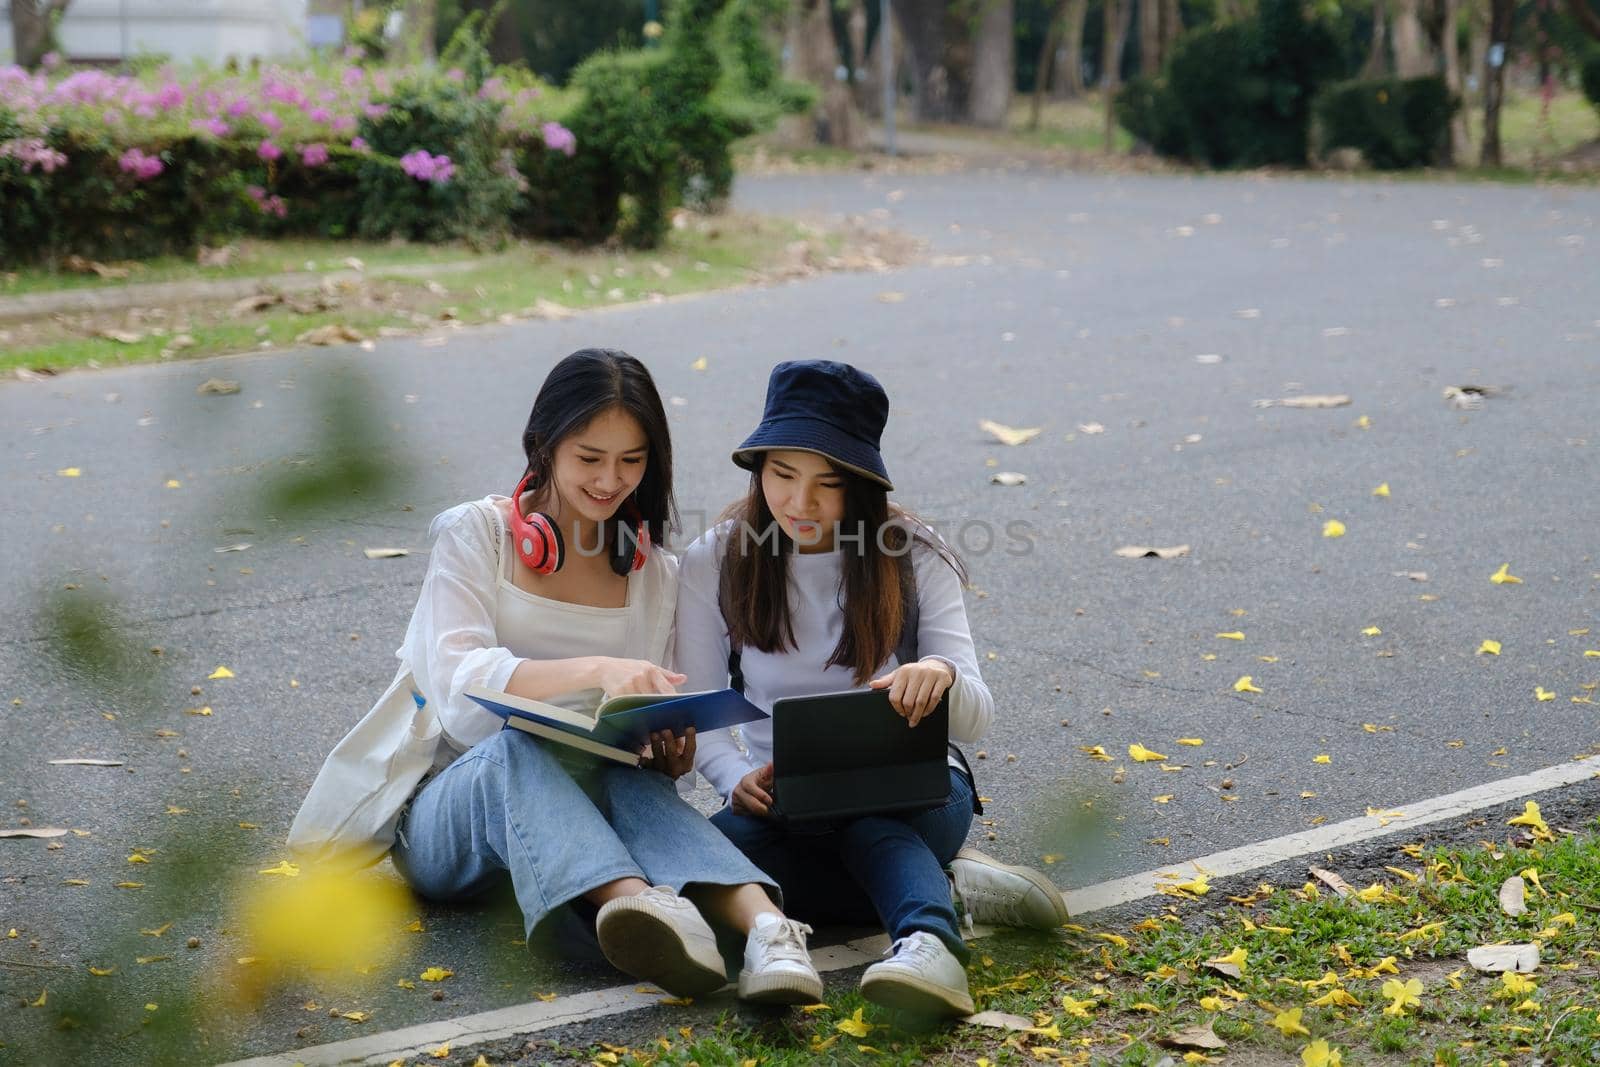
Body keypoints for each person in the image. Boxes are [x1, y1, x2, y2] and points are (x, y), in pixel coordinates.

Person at [382, 349, 822, 1004]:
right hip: (451, 813)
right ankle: (642, 907)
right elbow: (456, 685)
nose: (610, 479)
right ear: (543, 444)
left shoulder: (653, 574)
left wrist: (664, 751)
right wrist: (597, 670)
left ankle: (770, 930)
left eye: (631, 460)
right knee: (520, 742)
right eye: (590, 458)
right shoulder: (475, 534)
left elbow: (635, 743)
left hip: (574, 820)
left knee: (625, 776)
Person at [674, 360, 1069, 1019]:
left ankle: (932, 945)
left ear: (861, 484)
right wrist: (734, 776)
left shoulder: (911, 552)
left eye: (828, 483)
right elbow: (706, 705)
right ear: (759, 469)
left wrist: (938, 679)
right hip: (784, 803)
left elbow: (977, 714)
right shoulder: (715, 558)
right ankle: (947, 883)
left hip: (915, 793)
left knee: (865, 820)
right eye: (782, 475)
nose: (800, 503)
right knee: (697, 860)